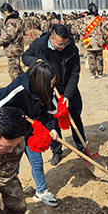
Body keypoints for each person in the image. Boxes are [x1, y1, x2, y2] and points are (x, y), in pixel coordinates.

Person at [0, 61, 59, 206]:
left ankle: (41, 192)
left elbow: (52, 111)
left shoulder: (48, 90)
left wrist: (52, 128)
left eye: (54, 83)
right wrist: (11, 117)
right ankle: (8, 194)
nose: (53, 87)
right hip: (14, 133)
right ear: (40, 81)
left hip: (32, 132)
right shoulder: (18, 88)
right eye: (50, 83)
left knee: (37, 162)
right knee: (13, 167)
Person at [22, 23, 87, 166]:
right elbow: (25, 57)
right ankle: (57, 151)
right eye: (59, 44)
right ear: (51, 38)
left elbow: (74, 74)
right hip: (48, 90)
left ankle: (82, 149)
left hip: (67, 89)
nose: (62, 47)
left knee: (75, 117)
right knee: (51, 120)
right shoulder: (39, 44)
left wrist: (68, 96)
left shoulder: (72, 49)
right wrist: (35, 61)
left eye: (65, 43)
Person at [0, 3, 24, 81]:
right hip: (16, 49)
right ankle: (25, 83)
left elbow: (8, 36)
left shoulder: (11, 21)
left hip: (13, 50)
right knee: (18, 69)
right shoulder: (15, 20)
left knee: (14, 73)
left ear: (5, 12)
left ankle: (17, 88)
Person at [82, 3, 104, 79]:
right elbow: (104, 31)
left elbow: (82, 30)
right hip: (99, 42)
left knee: (91, 58)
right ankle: (100, 73)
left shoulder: (85, 19)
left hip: (89, 42)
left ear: (89, 10)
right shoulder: (100, 19)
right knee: (99, 58)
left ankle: (93, 74)